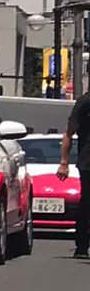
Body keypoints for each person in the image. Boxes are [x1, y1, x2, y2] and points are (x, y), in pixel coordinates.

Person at [56, 90, 90, 257]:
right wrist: (64, 162)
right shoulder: (85, 102)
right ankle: (82, 245)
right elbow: (69, 133)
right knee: (87, 202)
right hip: (88, 161)